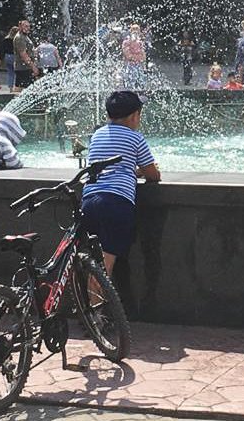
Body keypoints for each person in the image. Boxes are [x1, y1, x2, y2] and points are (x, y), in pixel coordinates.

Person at [81, 91, 161, 291]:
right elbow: (153, 175)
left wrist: (132, 171)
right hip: (116, 203)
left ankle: (88, 307)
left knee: (93, 258)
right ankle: (94, 315)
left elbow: (108, 167)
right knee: (104, 266)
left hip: (89, 200)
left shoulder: (97, 135)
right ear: (135, 116)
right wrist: (147, 171)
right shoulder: (136, 138)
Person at [13, 19, 39, 92]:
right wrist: (33, 67)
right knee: (22, 89)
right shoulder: (20, 38)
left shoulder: (25, 37)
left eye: (29, 26)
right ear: (20, 26)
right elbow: (23, 54)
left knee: (23, 88)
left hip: (26, 67)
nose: (28, 28)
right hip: (23, 68)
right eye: (26, 26)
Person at [122, 24, 147, 89]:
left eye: (137, 31)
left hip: (139, 66)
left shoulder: (140, 43)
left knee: (141, 84)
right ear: (131, 32)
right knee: (130, 83)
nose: (136, 33)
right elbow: (128, 56)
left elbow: (143, 56)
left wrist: (144, 66)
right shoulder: (126, 42)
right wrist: (139, 57)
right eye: (134, 31)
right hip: (130, 66)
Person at [0, 25, 17, 91]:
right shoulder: (16, 40)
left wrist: (2, 58)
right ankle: (16, 86)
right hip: (14, 56)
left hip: (7, 55)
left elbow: (3, 49)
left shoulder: (6, 39)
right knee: (16, 72)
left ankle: (10, 87)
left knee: (10, 72)